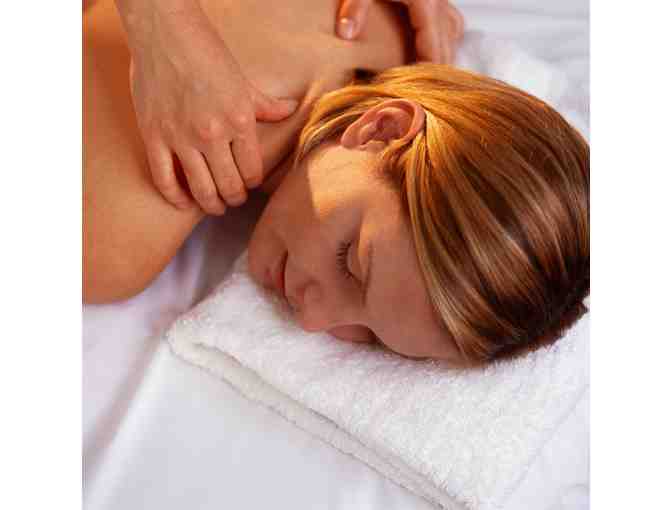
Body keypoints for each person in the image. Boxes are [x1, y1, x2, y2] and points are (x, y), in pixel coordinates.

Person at [84, 0, 589, 367]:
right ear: (381, 129)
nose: (312, 316)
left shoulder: (395, 23)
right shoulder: (118, 237)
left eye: (370, 337)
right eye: (351, 260)